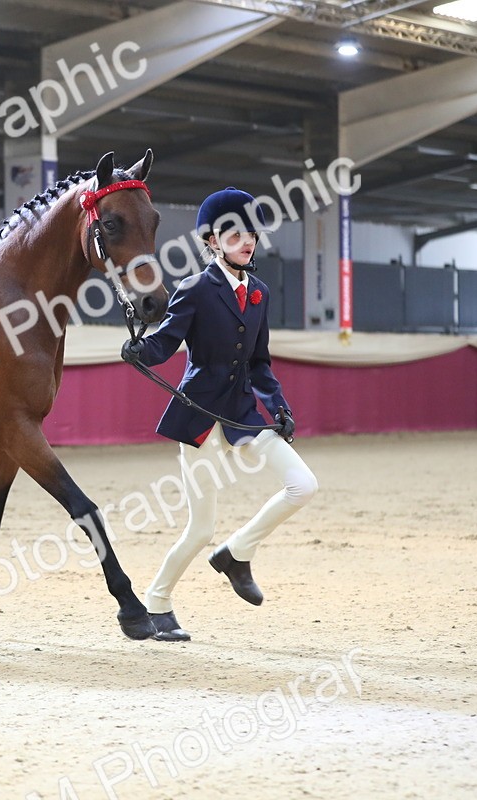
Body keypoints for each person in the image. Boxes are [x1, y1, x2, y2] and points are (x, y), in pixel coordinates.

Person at [121, 187, 317, 642]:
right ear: (212, 241)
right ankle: (157, 602)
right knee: (200, 528)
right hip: (201, 416)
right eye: (235, 234)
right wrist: (138, 350)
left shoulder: (260, 292)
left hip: (245, 414)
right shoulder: (195, 290)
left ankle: (237, 553)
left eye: (251, 233)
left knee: (303, 485)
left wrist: (281, 407)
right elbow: (164, 344)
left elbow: (259, 362)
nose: (247, 241)